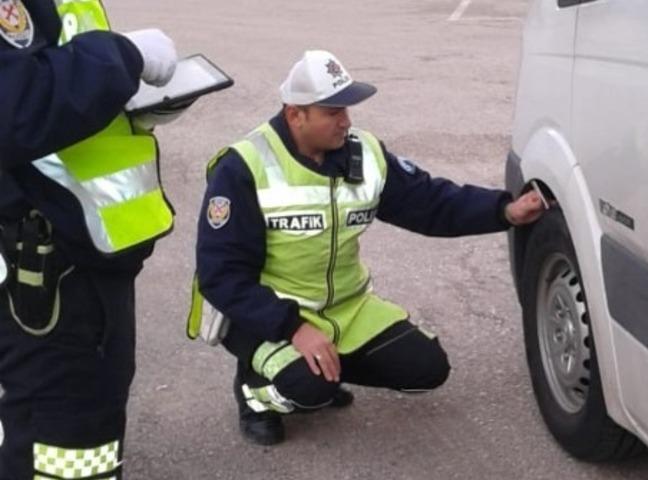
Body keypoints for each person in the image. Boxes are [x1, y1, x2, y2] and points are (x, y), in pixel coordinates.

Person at [190, 50, 545, 446]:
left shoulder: (366, 154)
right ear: (295, 114)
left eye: (347, 108)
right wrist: (294, 327)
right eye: (332, 111)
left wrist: (504, 210)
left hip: (347, 309)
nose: (346, 120)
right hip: (264, 314)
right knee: (309, 389)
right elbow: (220, 275)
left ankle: (326, 370)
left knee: (427, 368)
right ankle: (256, 394)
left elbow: (430, 203)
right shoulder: (244, 167)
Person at [0, 0, 180, 477]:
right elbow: (12, 107)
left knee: (79, 423)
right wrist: (122, 57)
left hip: (82, 255)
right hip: (42, 273)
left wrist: (130, 100)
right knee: (66, 448)